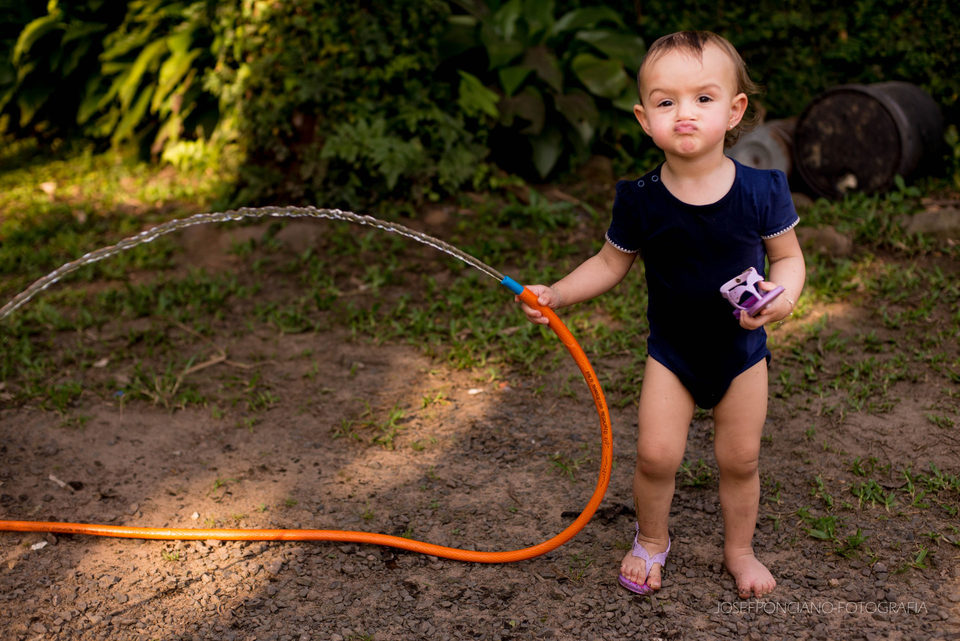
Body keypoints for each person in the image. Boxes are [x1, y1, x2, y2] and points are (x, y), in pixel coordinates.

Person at [517, 30, 805, 599]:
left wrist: (782, 299)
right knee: (654, 456)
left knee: (741, 459)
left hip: (741, 353)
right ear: (645, 119)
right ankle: (651, 540)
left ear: (734, 110)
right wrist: (557, 294)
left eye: (703, 98)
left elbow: (788, 258)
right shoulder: (641, 199)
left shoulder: (761, 190)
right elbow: (609, 263)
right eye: (666, 101)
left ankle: (739, 551)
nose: (686, 114)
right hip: (671, 354)